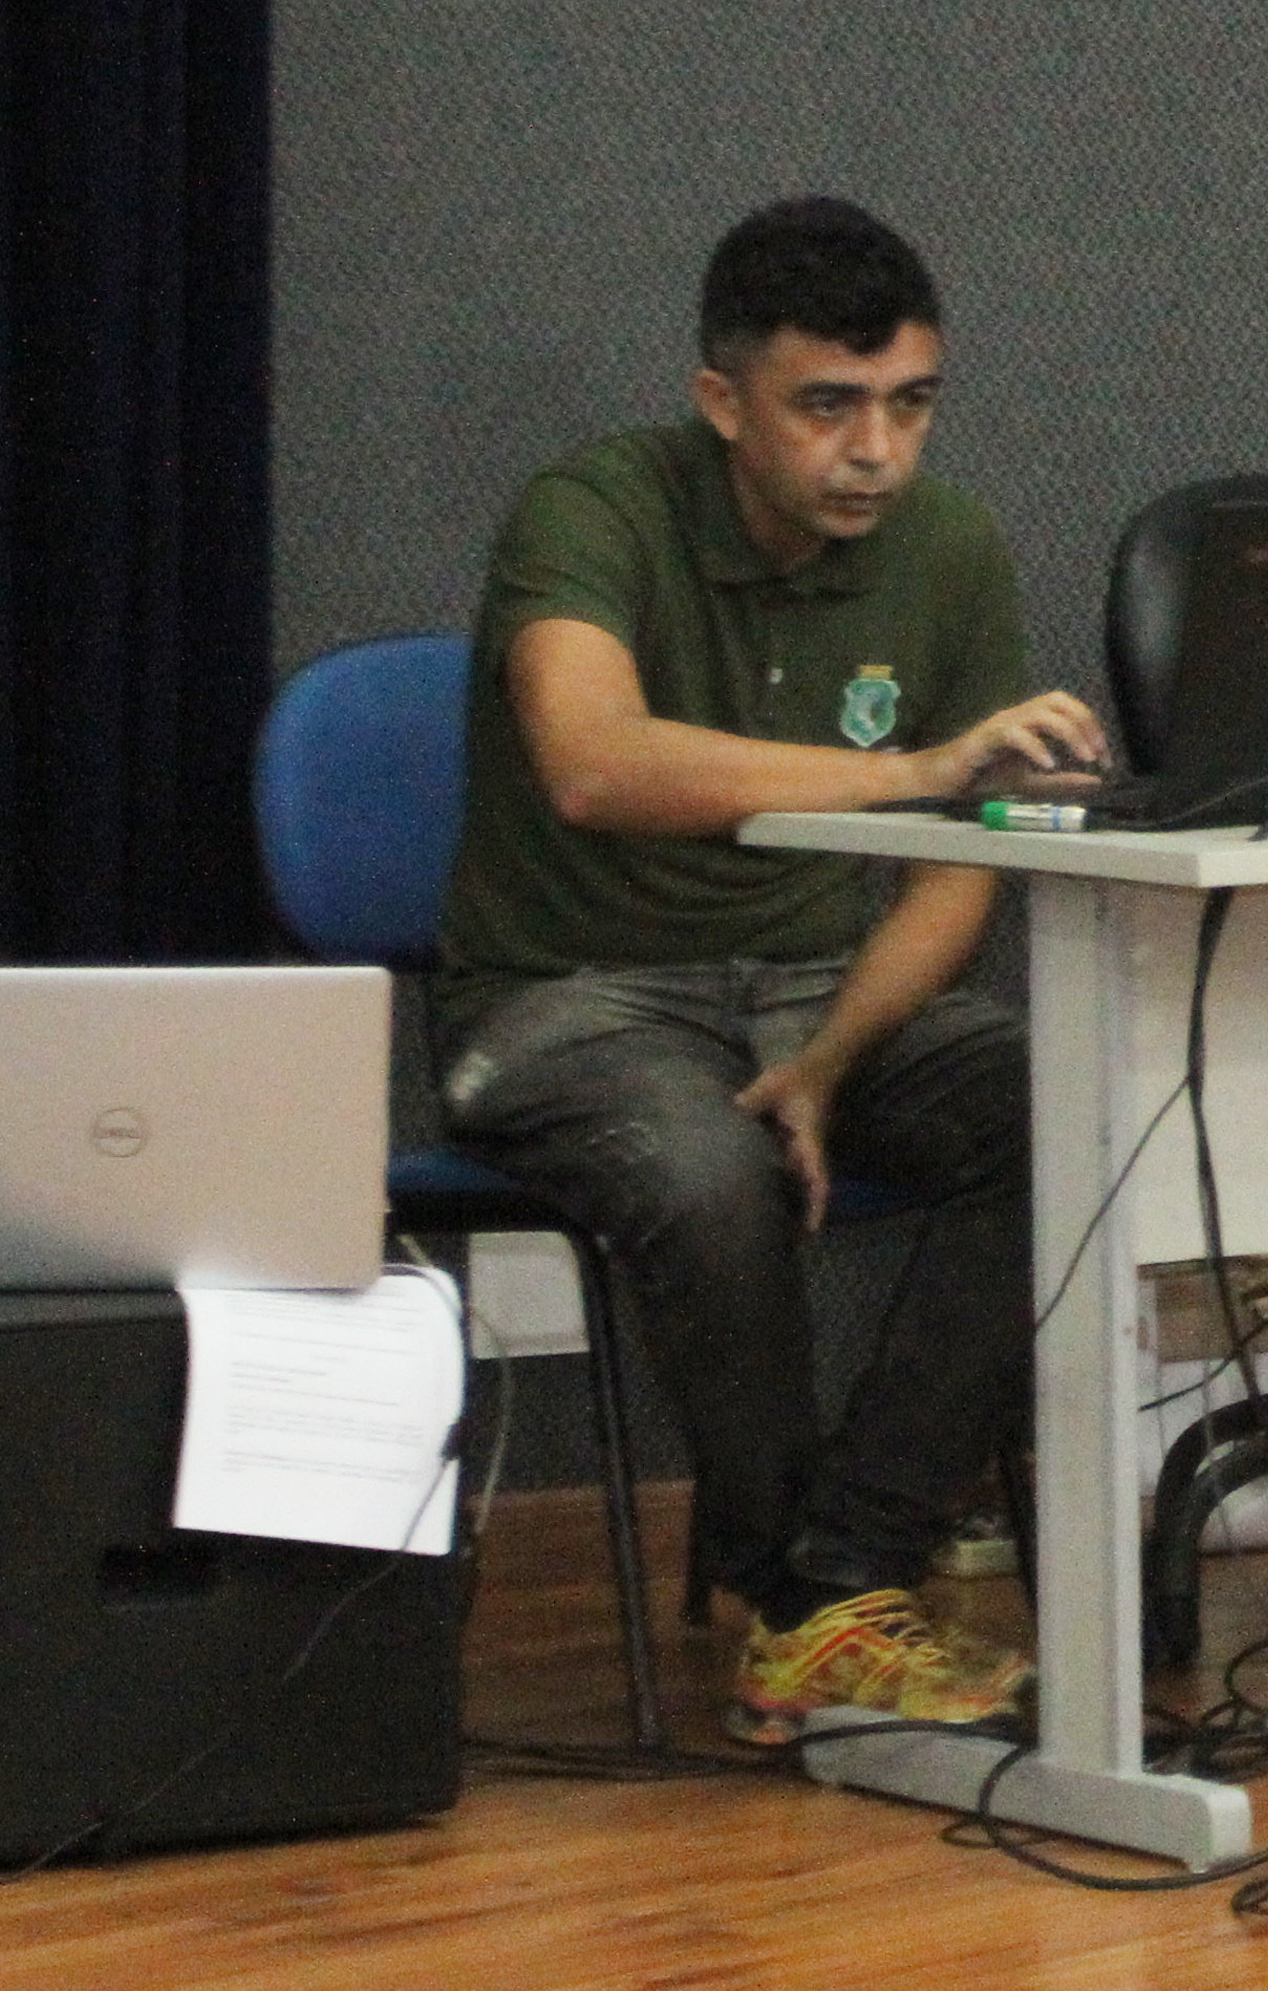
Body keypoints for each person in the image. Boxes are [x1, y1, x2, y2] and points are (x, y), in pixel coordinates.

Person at [434, 196, 1110, 1748]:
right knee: (710, 1175)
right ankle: (807, 1613)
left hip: (814, 985)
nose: (877, 451)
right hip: (569, 996)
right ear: (723, 402)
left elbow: (961, 860)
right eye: (828, 407)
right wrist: (915, 771)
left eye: (912, 404)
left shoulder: (950, 547)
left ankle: (840, 1580)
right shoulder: (591, 510)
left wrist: (834, 1058)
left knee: (1086, 1104)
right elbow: (593, 763)